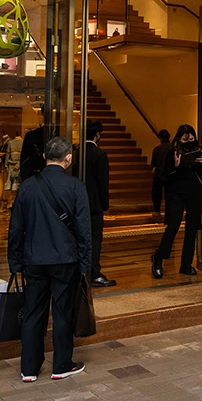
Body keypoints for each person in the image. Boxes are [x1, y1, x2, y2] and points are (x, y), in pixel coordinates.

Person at [8, 136, 91, 382]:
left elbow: (15, 228)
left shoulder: (27, 186)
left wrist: (15, 261)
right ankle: (61, 364)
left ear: (45, 157)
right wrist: (86, 264)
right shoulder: (76, 186)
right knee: (63, 311)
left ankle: (29, 368)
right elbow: (84, 229)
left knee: (33, 312)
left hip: (34, 258)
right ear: (69, 158)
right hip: (66, 258)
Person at [152, 124, 202, 279]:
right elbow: (166, 176)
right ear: (179, 138)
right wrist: (176, 167)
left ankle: (186, 264)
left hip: (195, 193)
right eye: (185, 138)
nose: (189, 140)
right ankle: (158, 257)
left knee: (192, 228)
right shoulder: (172, 153)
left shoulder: (200, 150)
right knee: (173, 225)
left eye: (191, 137)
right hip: (177, 193)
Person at [83, 121, 114, 288]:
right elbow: (103, 181)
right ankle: (94, 271)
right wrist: (105, 204)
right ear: (97, 134)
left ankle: (82, 270)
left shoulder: (77, 151)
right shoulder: (99, 154)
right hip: (94, 203)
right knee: (95, 238)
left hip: (79, 202)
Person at [150, 129, 172, 215]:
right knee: (169, 194)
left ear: (159, 138)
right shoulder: (172, 148)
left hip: (159, 173)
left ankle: (157, 210)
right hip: (170, 174)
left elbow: (153, 163)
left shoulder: (157, 149)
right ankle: (169, 211)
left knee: (156, 192)